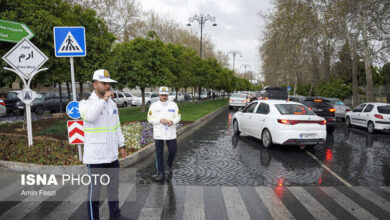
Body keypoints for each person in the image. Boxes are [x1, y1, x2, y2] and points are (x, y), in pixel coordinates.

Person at [79, 69, 128, 220]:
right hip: (96, 158)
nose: (107, 86)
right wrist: (103, 100)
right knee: (95, 193)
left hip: (112, 155)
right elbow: (90, 116)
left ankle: (115, 216)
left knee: (113, 189)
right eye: (103, 83)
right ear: (95, 84)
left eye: (109, 83)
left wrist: (122, 145)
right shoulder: (85, 103)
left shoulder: (112, 104)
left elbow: (116, 126)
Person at [147, 86, 181, 181]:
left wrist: (173, 121)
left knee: (173, 150)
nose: (164, 97)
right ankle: (160, 173)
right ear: (159, 95)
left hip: (170, 132)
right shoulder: (153, 106)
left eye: (165, 95)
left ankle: (169, 162)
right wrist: (159, 120)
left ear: (168, 95)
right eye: (162, 95)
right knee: (159, 154)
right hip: (159, 133)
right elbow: (149, 119)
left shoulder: (173, 105)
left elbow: (178, 117)